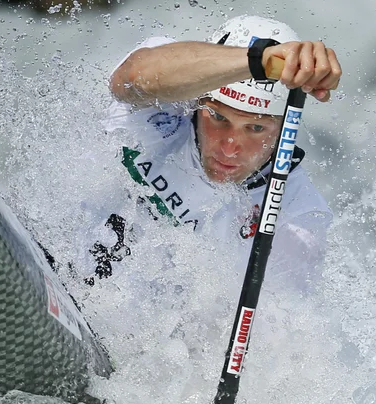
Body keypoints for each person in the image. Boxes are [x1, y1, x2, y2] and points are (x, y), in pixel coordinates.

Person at [77, 15, 341, 293]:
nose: (229, 147)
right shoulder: (170, 90)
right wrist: (257, 62)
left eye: (255, 127)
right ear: (200, 100)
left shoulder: (299, 215)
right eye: (217, 117)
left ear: (284, 127)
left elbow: (277, 324)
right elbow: (126, 79)